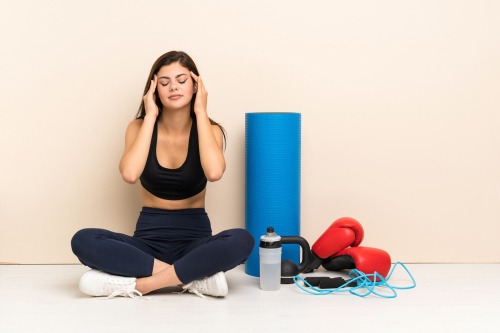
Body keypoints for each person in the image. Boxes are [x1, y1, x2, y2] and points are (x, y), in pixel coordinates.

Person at [71, 51, 254, 298]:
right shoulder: (138, 127)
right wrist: (151, 116)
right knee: (83, 240)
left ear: (196, 86)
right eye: (164, 83)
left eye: (181, 80)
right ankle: (191, 278)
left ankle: (140, 285)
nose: (173, 88)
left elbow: (214, 172)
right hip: (147, 244)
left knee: (242, 240)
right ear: (154, 89)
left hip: (194, 242)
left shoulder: (210, 131)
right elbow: (129, 173)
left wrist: (201, 111)